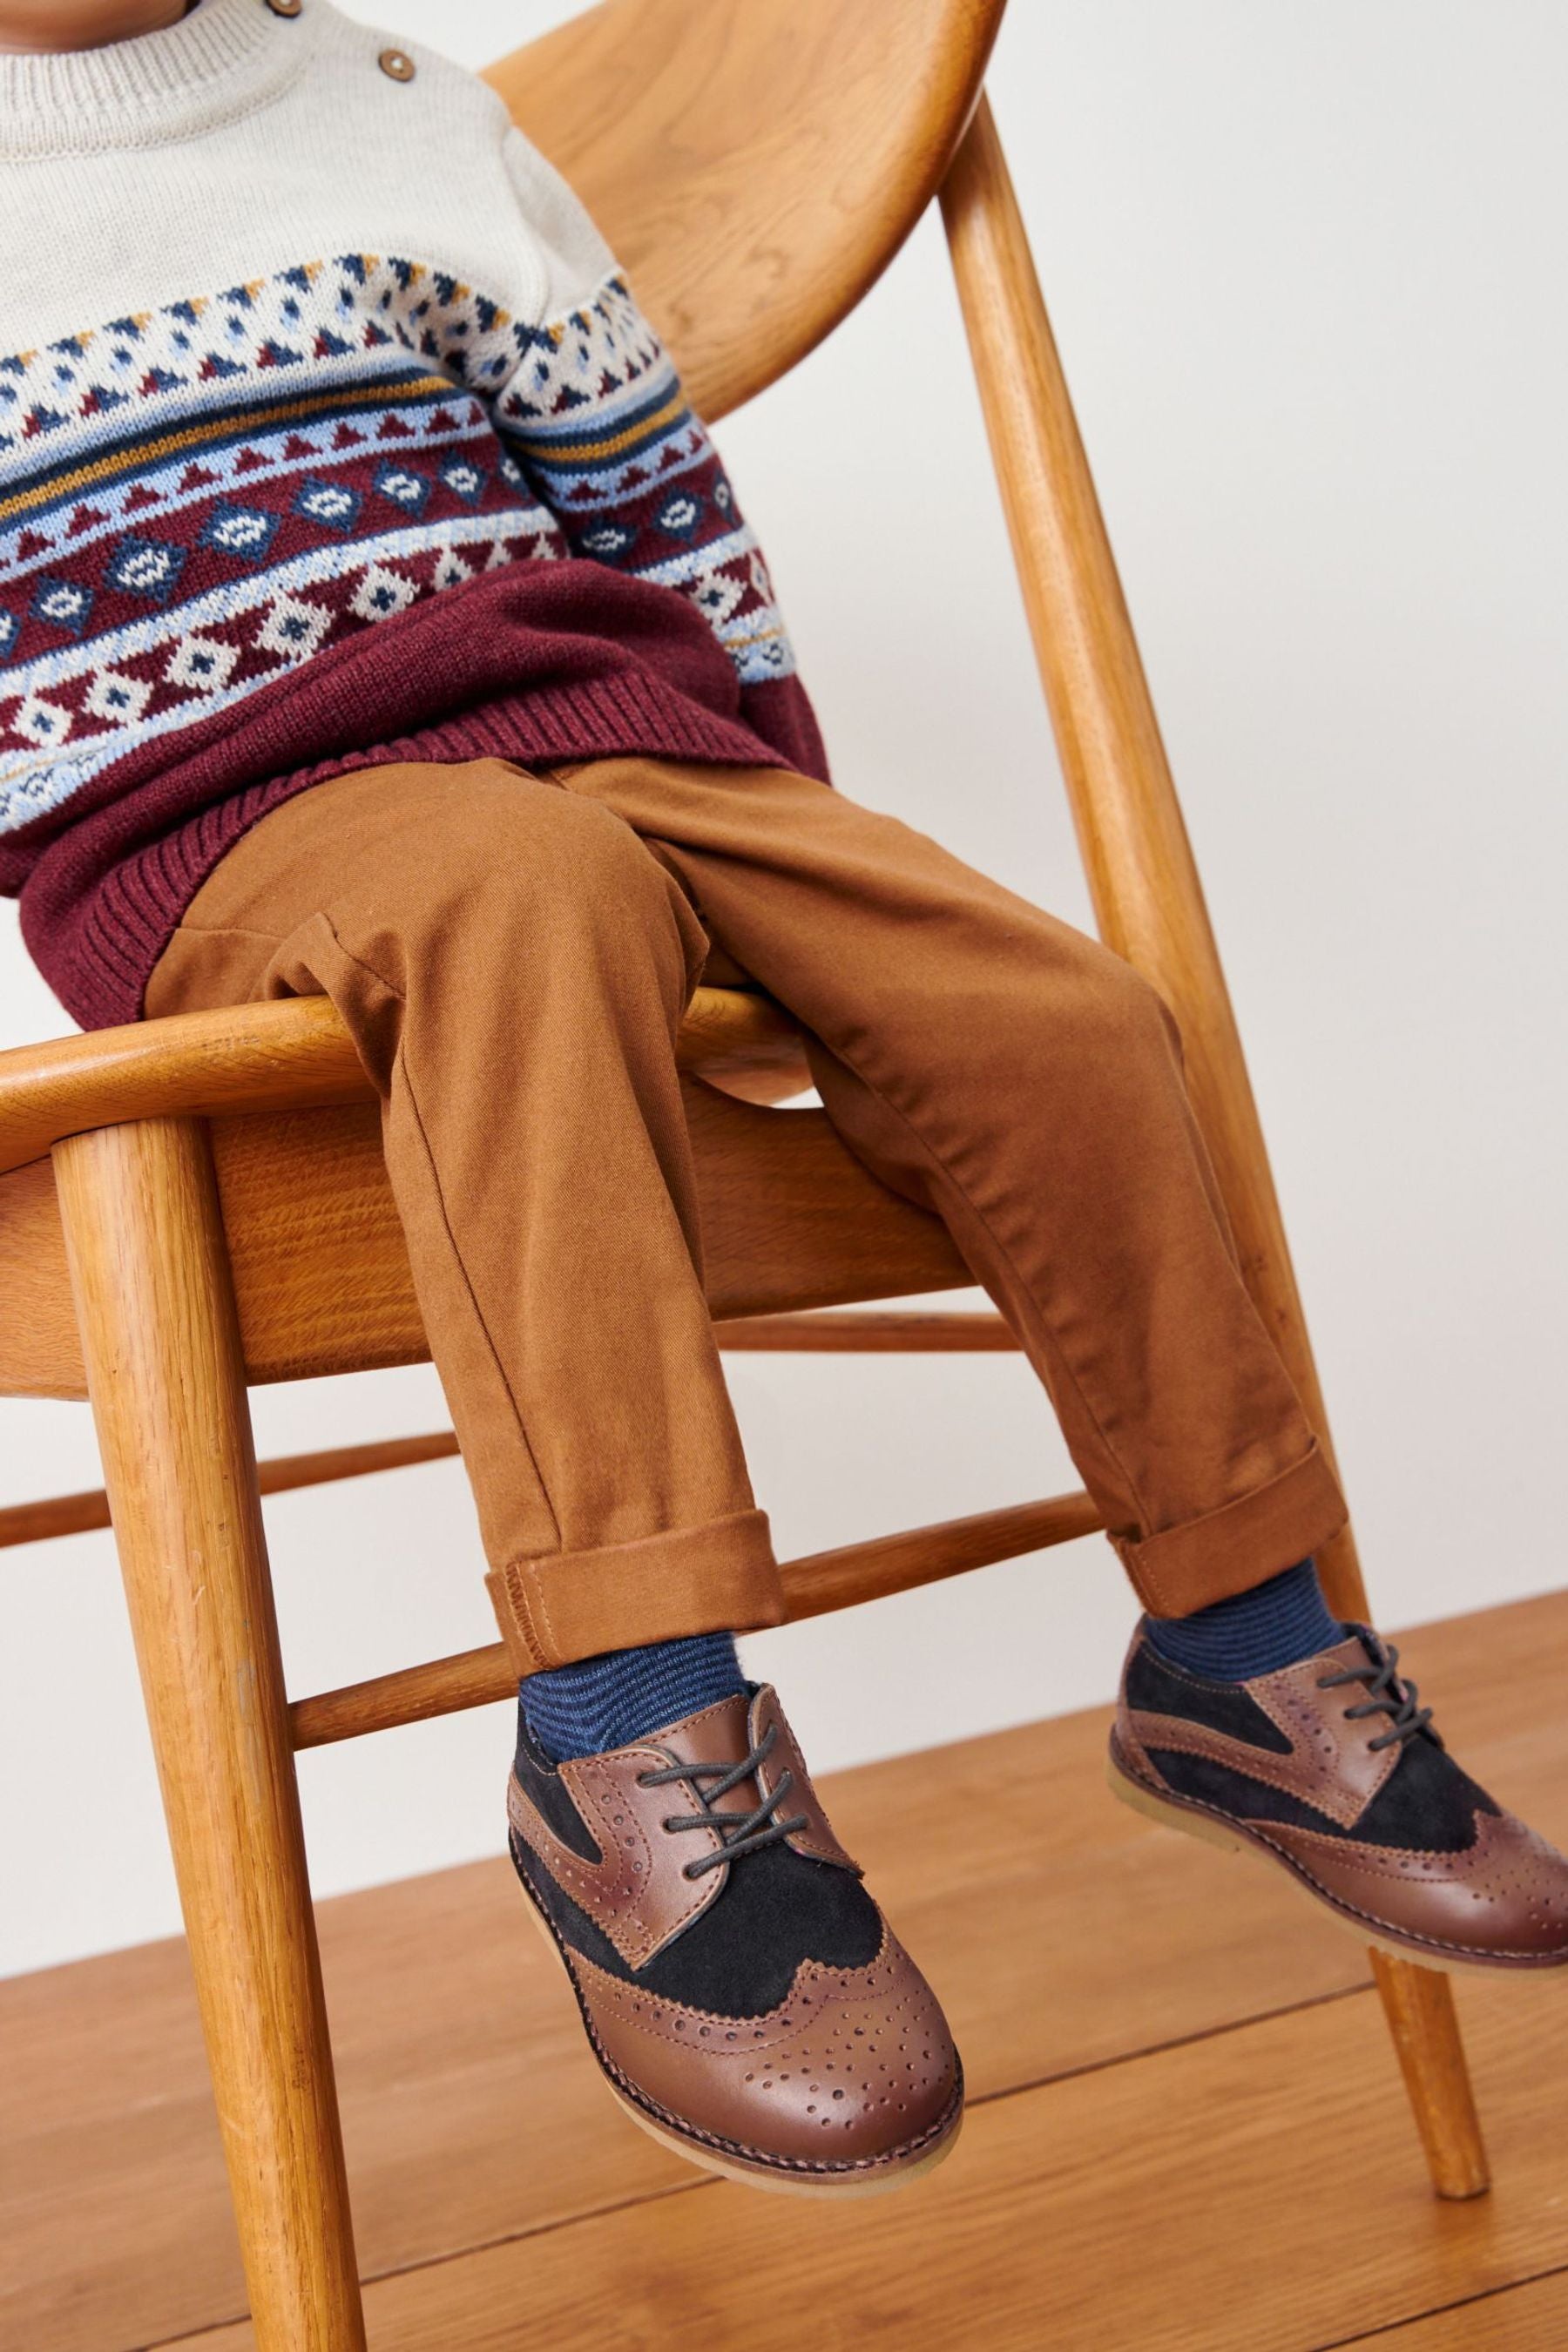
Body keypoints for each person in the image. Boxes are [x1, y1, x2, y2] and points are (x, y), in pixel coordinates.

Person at [3, 0, 1565, 2198]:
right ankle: (628, 1739)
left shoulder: (393, 113)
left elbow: (643, 482)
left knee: (1053, 1011)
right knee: (510, 894)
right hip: (224, 816)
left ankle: (1245, 1644)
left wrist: (789, 850)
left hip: (610, 730)